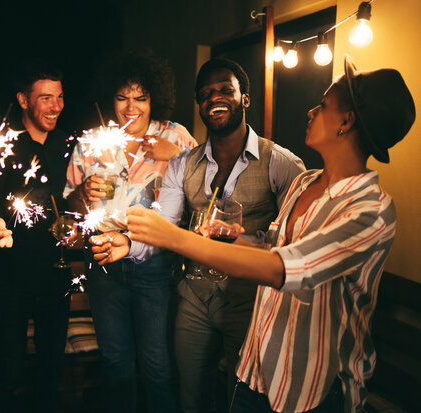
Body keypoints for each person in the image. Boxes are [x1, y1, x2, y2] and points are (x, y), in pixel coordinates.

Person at [98, 56, 415, 413]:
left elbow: (286, 268)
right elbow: (274, 246)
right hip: (260, 361)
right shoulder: (305, 181)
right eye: (205, 93)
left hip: (312, 383)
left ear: (347, 121)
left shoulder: (370, 210)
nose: (311, 111)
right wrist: (237, 239)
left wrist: (173, 237)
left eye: (323, 105)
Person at [90, 57, 305, 412]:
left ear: (244, 98)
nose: (215, 98)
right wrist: (128, 243)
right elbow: (166, 224)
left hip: (248, 302)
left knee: (245, 398)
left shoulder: (282, 163)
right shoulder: (182, 164)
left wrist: (246, 241)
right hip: (194, 299)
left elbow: (292, 243)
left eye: (225, 90)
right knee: (191, 397)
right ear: (198, 104)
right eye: (206, 94)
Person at [64, 52, 197, 413]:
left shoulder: (176, 136)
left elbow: (204, 189)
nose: (130, 107)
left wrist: (177, 155)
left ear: (155, 97)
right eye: (123, 97)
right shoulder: (91, 142)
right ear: (112, 98)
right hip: (103, 263)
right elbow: (68, 211)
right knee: (115, 363)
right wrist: (81, 193)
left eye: (140, 97)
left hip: (154, 266)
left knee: (157, 366)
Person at [0, 59, 74, 413]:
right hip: (12, 277)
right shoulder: (3, 145)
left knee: (52, 369)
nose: (56, 107)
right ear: (23, 100)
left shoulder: (69, 145)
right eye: (46, 98)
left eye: (61, 97)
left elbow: (77, 201)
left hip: (57, 273)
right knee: (9, 368)